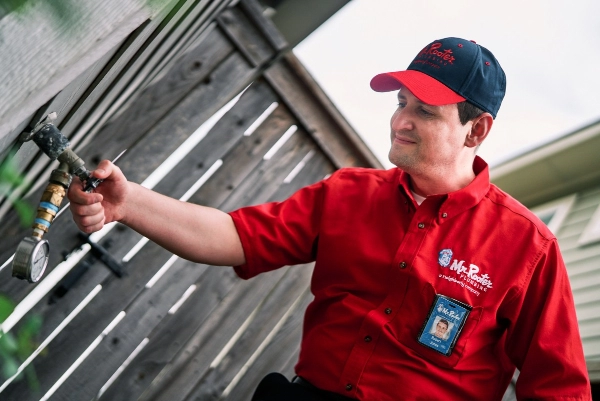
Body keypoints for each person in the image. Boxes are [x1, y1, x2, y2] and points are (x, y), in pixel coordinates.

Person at [68, 37, 592, 400]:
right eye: (402, 101)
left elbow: (558, 388)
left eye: (425, 111)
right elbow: (233, 237)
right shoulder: (347, 193)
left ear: (475, 131)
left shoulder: (528, 246)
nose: (400, 120)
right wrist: (126, 202)